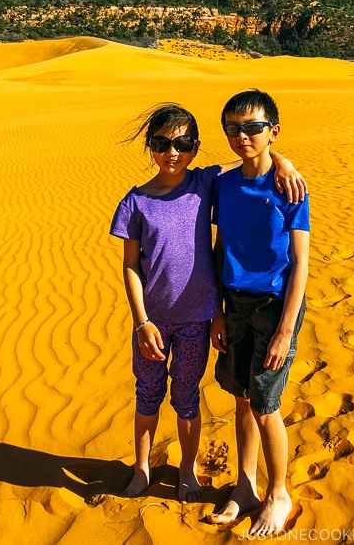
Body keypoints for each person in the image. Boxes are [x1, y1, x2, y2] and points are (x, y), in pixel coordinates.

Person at [109, 103, 307, 505]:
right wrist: (141, 320)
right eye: (162, 143)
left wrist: (284, 161)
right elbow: (130, 265)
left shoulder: (205, 183)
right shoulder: (136, 202)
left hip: (198, 321)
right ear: (150, 147)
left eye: (183, 142)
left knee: (186, 398)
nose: (172, 152)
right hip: (157, 322)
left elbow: (258, 158)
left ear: (196, 147)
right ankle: (142, 468)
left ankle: (188, 469)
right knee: (147, 393)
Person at [206, 89, 310, 534]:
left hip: (275, 306)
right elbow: (218, 248)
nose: (242, 136)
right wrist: (215, 311)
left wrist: (286, 329)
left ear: (273, 131)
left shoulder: (290, 186)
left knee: (266, 404)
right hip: (233, 302)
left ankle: (279, 494)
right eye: (233, 128)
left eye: (252, 127)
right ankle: (245, 487)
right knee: (241, 399)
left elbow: (302, 261)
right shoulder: (222, 184)